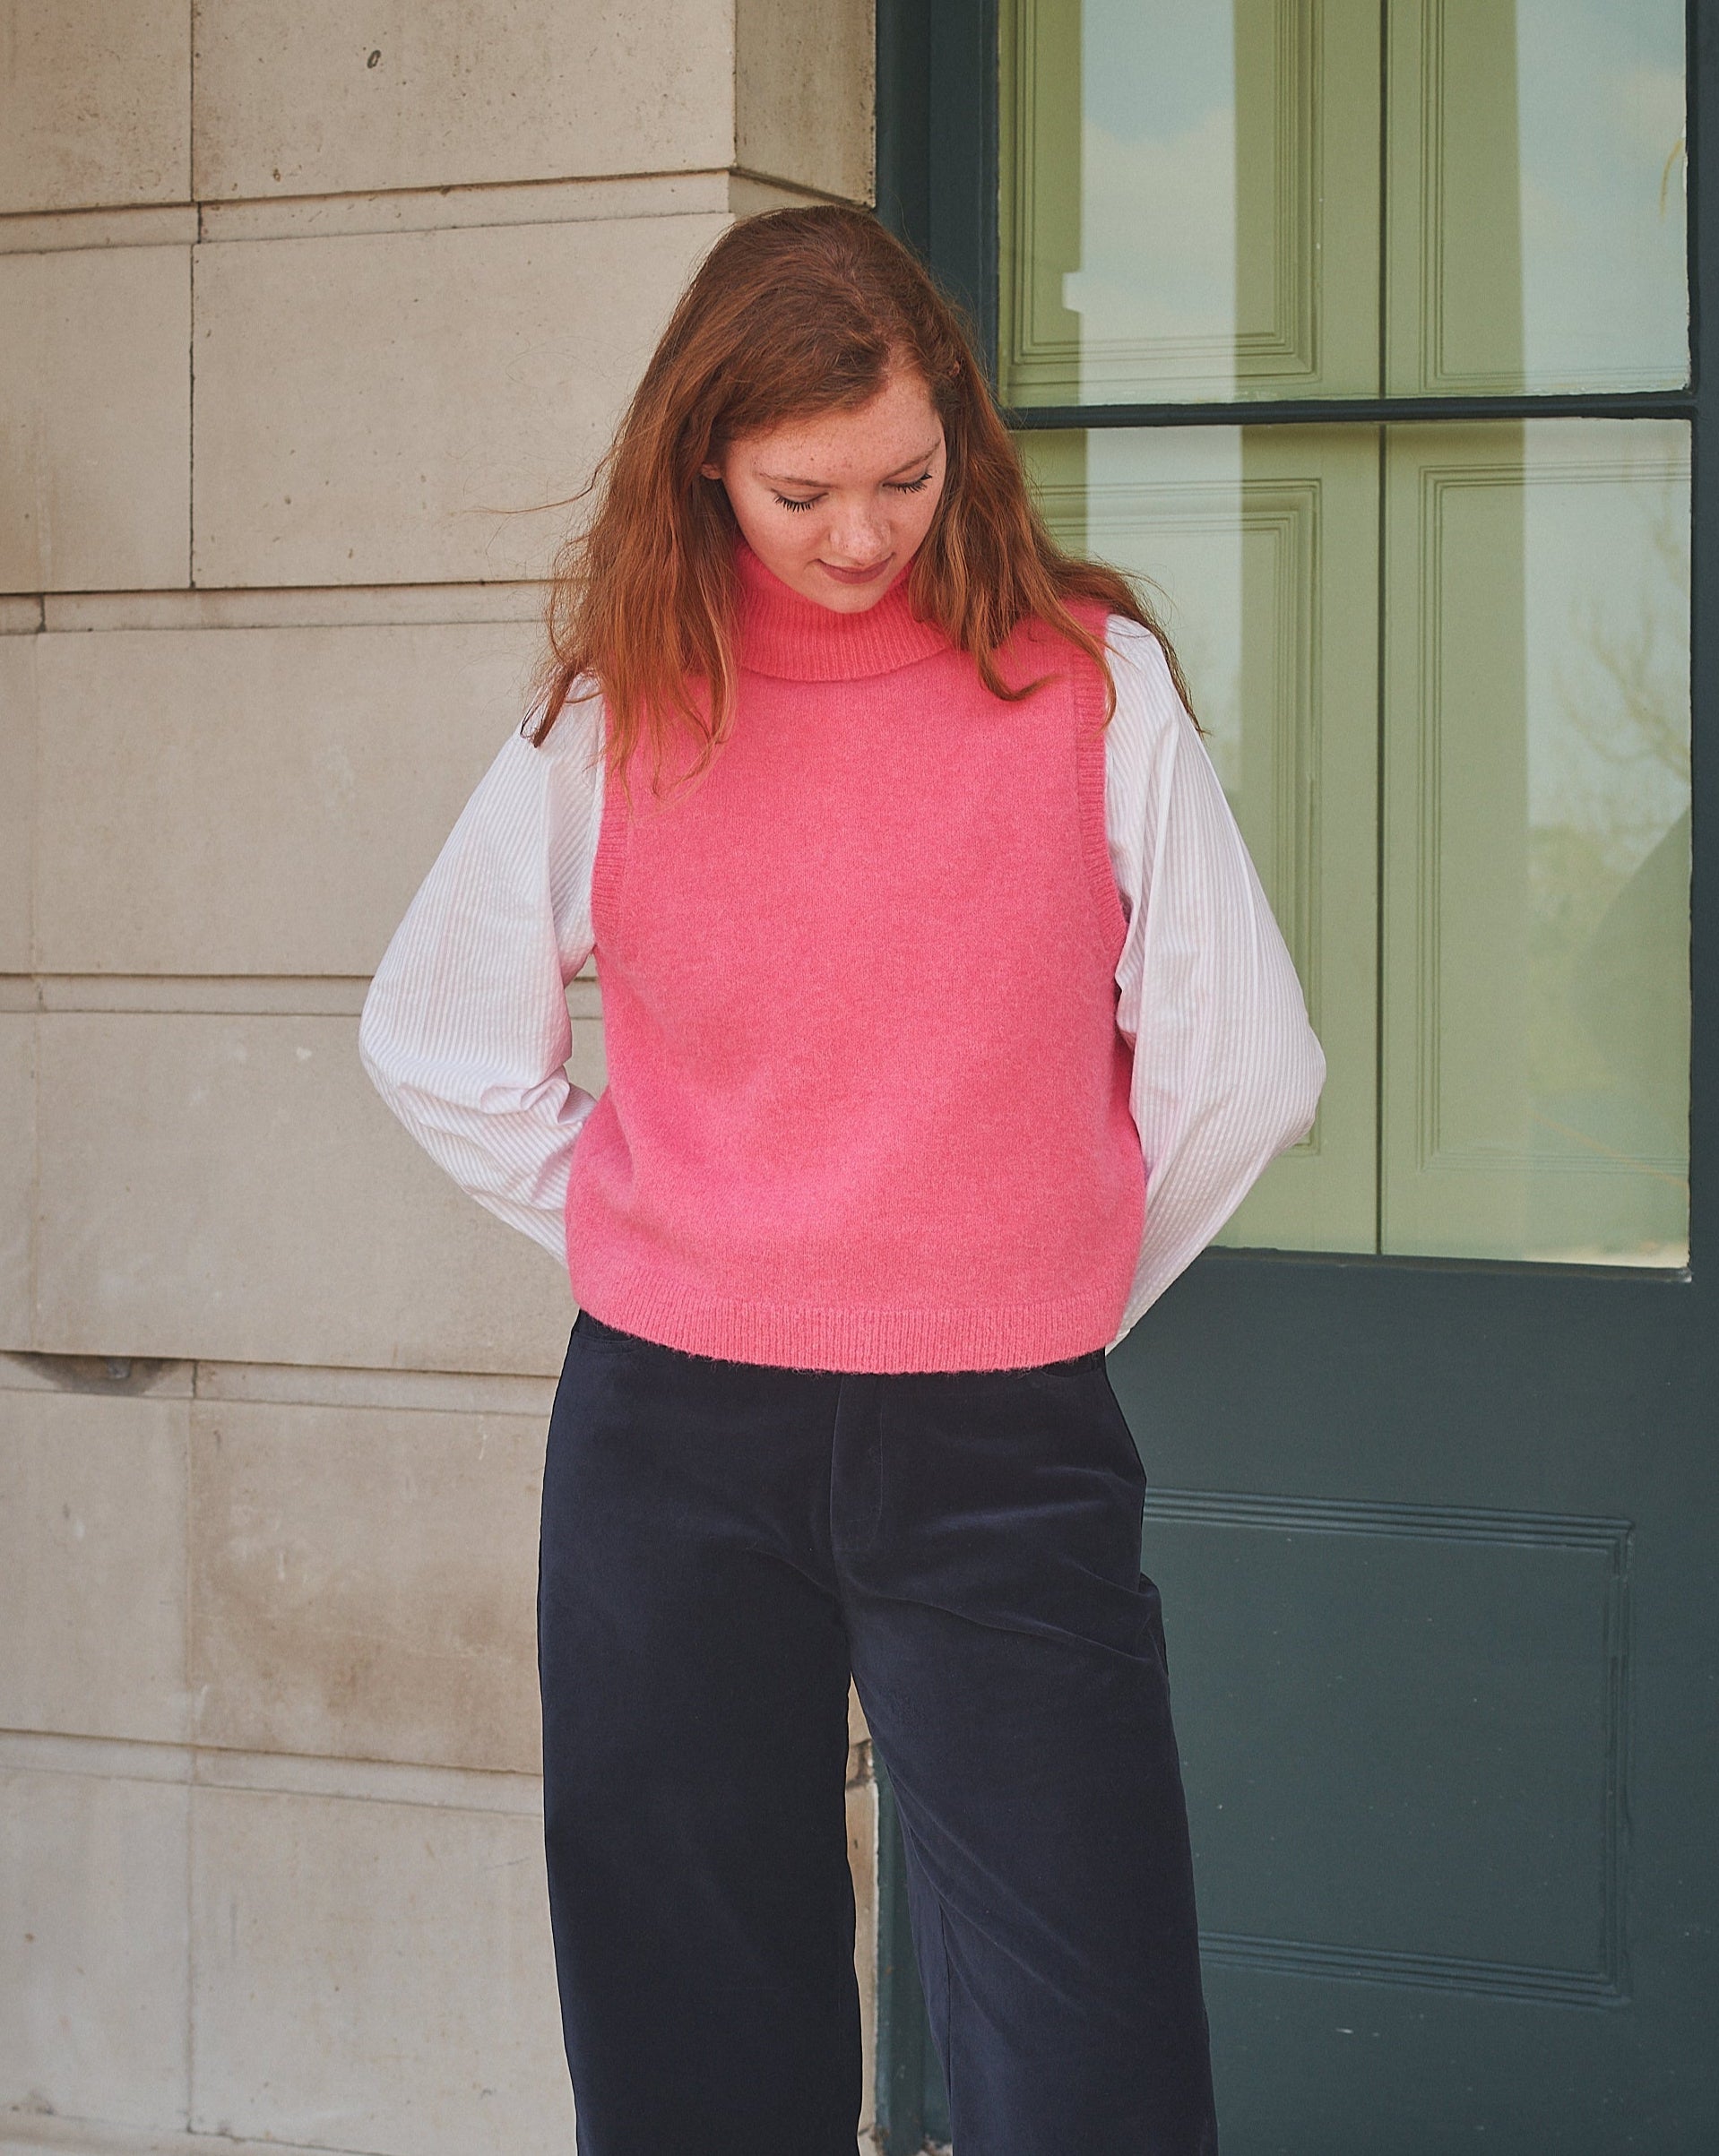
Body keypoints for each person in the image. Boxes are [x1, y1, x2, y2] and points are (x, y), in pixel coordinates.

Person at [358, 203, 1324, 2156]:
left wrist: (1036, 1285)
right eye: (804, 490)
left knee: (1073, 2016)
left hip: (989, 1427)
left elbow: (1251, 1073)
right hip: (672, 1429)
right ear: (702, 453)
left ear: (957, 434)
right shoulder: (619, 701)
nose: (863, 533)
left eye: (905, 473)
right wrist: (683, 1242)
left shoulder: (1088, 686)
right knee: (700, 1995)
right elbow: (434, 1043)